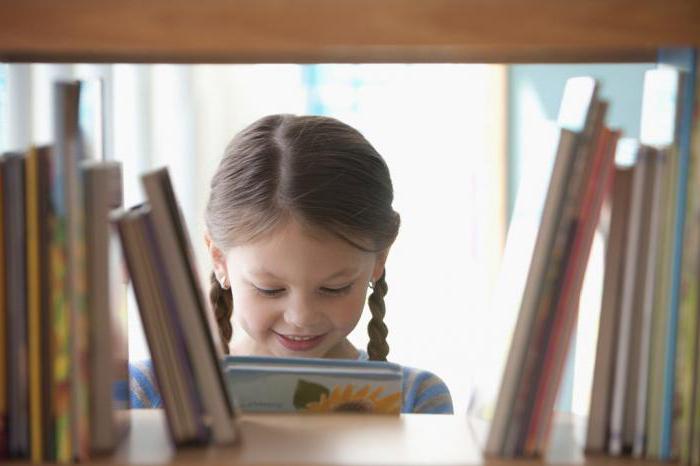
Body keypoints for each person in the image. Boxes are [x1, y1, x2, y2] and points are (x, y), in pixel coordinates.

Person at [129, 114, 453, 414]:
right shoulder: (144, 395)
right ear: (219, 258)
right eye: (269, 289)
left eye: (334, 288)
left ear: (379, 258)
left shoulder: (416, 401)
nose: (301, 318)